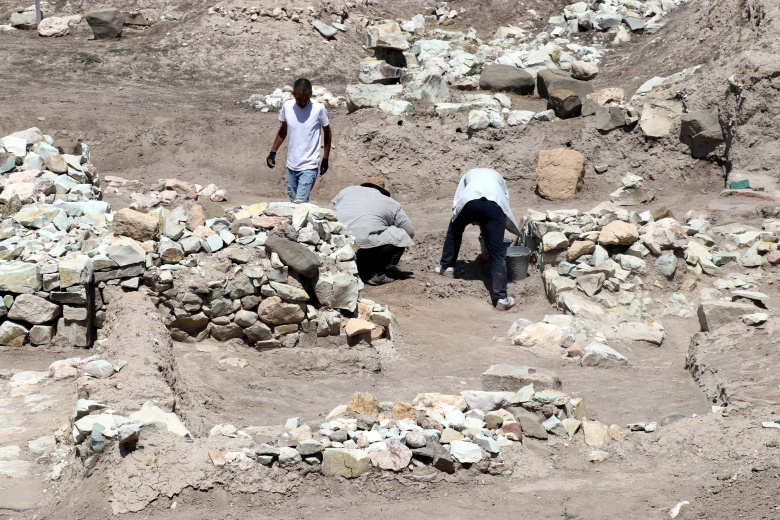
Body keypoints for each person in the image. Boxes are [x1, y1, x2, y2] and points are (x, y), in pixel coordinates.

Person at [435, 168, 522, 311]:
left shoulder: (468, 175)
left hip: (469, 202)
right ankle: (501, 298)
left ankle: (446, 267)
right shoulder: (499, 179)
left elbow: (458, 200)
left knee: (455, 229)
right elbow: (503, 203)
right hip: (494, 206)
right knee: (498, 252)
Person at [330, 177, 415, 286]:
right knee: (401, 235)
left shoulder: (347, 190)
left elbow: (329, 211)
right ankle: (376, 273)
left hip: (336, 241)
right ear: (382, 191)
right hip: (364, 247)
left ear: (365, 186)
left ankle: (353, 265)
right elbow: (409, 232)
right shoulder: (391, 203)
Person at [266, 78, 332, 203]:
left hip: (309, 165)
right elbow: (283, 130)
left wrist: (325, 159)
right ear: (293, 94)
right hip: (291, 165)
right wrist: (273, 152)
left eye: (306, 99)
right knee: (294, 203)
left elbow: (327, 132)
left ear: (311, 94)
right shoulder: (287, 107)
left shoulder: (319, 109)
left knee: (300, 203)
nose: (302, 103)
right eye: (299, 99)